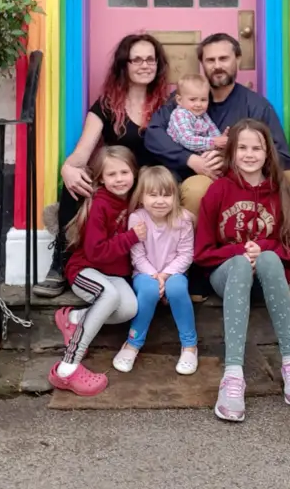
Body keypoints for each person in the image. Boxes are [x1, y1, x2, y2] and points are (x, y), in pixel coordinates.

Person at [194, 119, 290, 422]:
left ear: (267, 152)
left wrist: (266, 249)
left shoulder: (282, 191)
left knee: (270, 258)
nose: (249, 154)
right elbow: (202, 253)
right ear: (232, 152)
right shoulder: (218, 191)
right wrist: (239, 251)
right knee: (242, 263)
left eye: (256, 147)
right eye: (242, 147)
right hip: (228, 275)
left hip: (268, 279)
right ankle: (233, 375)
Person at [34, 33, 169, 297]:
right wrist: (68, 168)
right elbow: (80, 155)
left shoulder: (167, 105)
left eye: (150, 59)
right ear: (124, 65)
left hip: (150, 184)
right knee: (76, 179)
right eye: (137, 59)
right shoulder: (107, 106)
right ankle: (61, 260)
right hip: (118, 180)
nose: (144, 65)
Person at [144, 33, 290, 217]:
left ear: (238, 60)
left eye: (223, 58)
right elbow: (153, 135)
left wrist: (235, 162)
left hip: (242, 181)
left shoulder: (256, 106)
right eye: (210, 60)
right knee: (197, 189)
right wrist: (191, 160)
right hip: (191, 177)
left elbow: (282, 157)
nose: (217, 66)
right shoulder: (186, 98)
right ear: (202, 63)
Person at [49, 146, 145, 396]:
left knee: (129, 309)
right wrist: (131, 237)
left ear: (134, 173)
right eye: (112, 174)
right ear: (101, 178)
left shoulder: (133, 200)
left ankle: (74, 318)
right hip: (86, 269)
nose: (120, 179)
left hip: (112, 274)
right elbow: (96, 252)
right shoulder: (100, 204)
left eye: (124, 172)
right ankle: (67, 368)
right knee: (109, 297)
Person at [112, 166, 198, 376]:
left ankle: (189, 346)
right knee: (149, 290)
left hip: (174, 273)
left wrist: (165, 275)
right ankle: (132, 343)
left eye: (166, 195)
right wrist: (155, 277)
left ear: (175, 196)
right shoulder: (137, 219)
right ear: (142, 197)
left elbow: (186, 254)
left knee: (177, 289)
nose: (160, 201)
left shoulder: (183, 219)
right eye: (153, 195)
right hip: (144, 273)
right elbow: (138, 256)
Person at [167, 73, 228, 153]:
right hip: (180, 157)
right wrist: (214, 142)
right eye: (193, 99)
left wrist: (221, 140)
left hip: (200, 155)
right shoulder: (179, 114)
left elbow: (213, 131)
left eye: (203, 100)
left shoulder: (203, 115)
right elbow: (187, 140)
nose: (199, 104)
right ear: (179, 100)